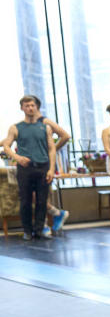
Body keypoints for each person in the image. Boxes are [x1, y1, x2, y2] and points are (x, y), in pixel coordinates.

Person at [1, 95, 56, 240]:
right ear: (22, 108)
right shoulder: (16, 127)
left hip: (43, 167)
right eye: (27, 106)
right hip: (25, 169)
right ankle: (27, 231)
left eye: (32, 105)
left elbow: (52, 149)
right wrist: (17, 157)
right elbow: (6, 146)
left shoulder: (45, 127)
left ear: (36, 107)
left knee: (42, 200)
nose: (30, 108)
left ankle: (39, 230)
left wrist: (51, 169)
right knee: (25, 201)